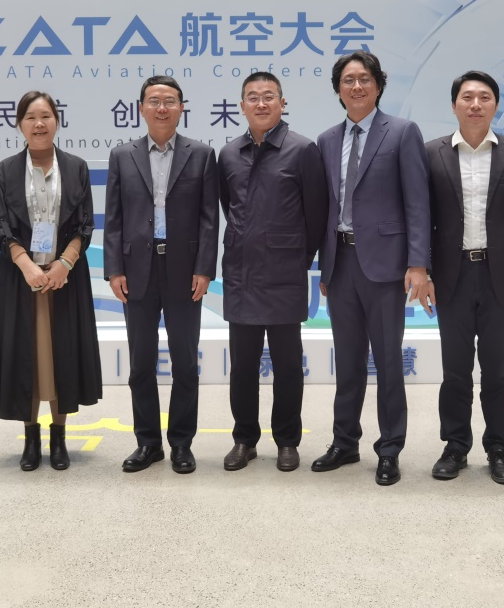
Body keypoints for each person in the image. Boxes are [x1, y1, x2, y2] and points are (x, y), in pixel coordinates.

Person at [313, 51, 432, 486]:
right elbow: (324, 207)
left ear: (378, 86)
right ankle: (345, 442)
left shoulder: (401, 132)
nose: (357, 86)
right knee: (347, 362)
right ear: (338, 89)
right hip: (341, 263)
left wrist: (418, 263)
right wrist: (324, 266)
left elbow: (417, 202)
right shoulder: (327, 140)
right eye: (348, 80)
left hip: (386, 266)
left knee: (387, 361)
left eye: (364, 79)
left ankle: (390, 449)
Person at [425, 71, 504, 485]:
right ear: (454, 104)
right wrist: (423, 271)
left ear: (495, 105)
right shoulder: (432, 152)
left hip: (500, 277)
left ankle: (498, 448)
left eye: (484, 97)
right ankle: (455, 446)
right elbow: (422, 220)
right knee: (455, 371)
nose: (475, 104)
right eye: (467, 97)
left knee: (496, 371)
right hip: (451, 276)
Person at [104, 76, 219, 474]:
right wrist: (114, 269)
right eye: (154, 101)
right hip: (137, 271)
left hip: (185, 271)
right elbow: (114, 219)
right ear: (141, 108)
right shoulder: (122, 155)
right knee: (141, 364)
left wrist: (205, 268)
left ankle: (182, 443)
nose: (162, 107)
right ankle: (148, 443)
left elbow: (209, 218)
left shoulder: (201, 154)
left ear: (181, 108)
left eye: (170, 101)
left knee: (185, 362)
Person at [217, 72, 328, 472]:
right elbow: (228, 205)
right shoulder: (229, 153)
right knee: (243, 367)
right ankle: (244, 439)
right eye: (253, 97)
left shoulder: (302, 149)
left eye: (269, 96)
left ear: (282, 103)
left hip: (285, 274)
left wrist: (297, 257)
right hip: (241, 274)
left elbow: (316, 214)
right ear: (242, 106)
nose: (261, 103)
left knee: (287, 365)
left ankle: (287, 440)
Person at [0, 91, 102, 471]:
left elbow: (86, 223)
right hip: (21, 280)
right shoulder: (5, 170)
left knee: (61, 358)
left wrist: (64, 264)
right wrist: (26, 265)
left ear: (57, 121)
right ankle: (31, 438)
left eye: (46, 116)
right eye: (31, 117)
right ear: (19, 124)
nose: (39, 124)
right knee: (27, 360)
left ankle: (59, 437)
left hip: (65, 280)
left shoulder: (76, 167)